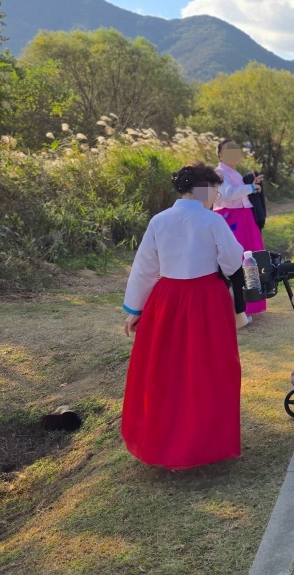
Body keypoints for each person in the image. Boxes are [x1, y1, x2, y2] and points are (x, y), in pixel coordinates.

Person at [121, 163, 244, 469]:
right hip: (206, 300)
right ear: (204, 188)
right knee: (208, 369)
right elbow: (231, 261)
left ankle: (165, 443)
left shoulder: (159, 221)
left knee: (166, 371)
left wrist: (135, 310)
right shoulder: (212, 221)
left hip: (167, 300)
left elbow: (144, 268)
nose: (217, 195)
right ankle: (203, 442)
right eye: (215, 189)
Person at [214, 139, 267, 320]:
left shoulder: (232, 172)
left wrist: (251, 183)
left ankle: (249, 305)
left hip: (243, 218)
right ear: (220, 154)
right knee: (238, 261)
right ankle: (240, 309)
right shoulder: (219, 172)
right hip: (232, 219)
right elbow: (228, 194)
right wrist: (251, 187)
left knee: (250, 260)